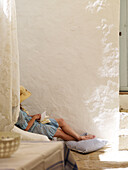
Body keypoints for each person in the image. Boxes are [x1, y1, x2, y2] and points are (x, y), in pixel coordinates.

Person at [16, 86, 95, 141]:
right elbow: (25, 128)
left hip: (36, 122)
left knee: (61, 121)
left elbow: (26, 117)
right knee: (60, 132)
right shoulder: (17, 112)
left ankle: (78, 137)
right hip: (34, 128)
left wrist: (35, 116)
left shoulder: (19, 108)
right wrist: (34, 118)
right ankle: (80, 139)